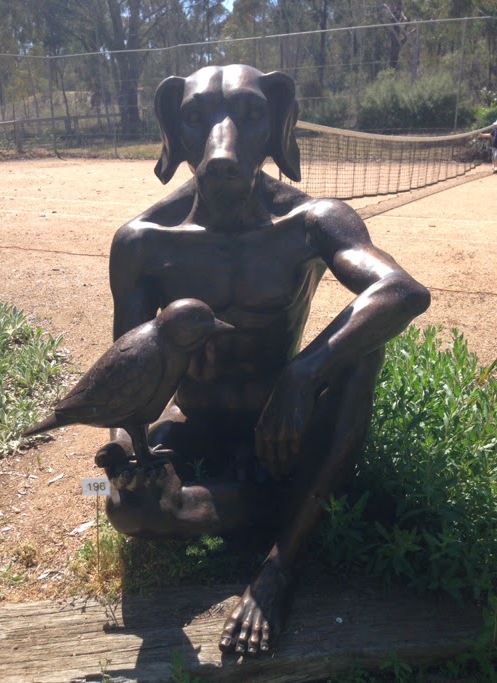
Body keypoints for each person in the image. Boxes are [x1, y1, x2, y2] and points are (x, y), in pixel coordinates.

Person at [96, 64, 430, 655]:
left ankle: (279, 567)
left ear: (278, 126)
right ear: (175, 132)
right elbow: (130, 383)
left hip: (282, 426)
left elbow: (402, 291)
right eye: (198, 119)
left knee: (362, 346)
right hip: (197, 427)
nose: (222, 146)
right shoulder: (144, 242)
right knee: (130, 511)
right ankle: (298, 500)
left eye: (250, 116)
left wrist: (302, 375)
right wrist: (132, 452)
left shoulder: (310, 222)